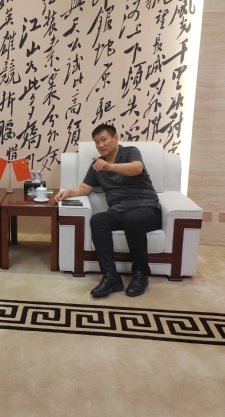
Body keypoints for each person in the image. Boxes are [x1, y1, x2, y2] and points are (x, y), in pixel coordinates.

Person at [54, 123, 162, 297]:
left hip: (146, 208)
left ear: (116, 138)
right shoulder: (97, 165)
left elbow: (137, 168)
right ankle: (111, 276)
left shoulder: (130, 152)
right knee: (98, 220)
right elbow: (84, 188)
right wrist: (68, 191)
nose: (100, 145)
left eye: (104, 139)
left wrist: (109, 166)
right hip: (118, 211)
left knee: (132, 219)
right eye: (97, 142)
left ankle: (140, 273)